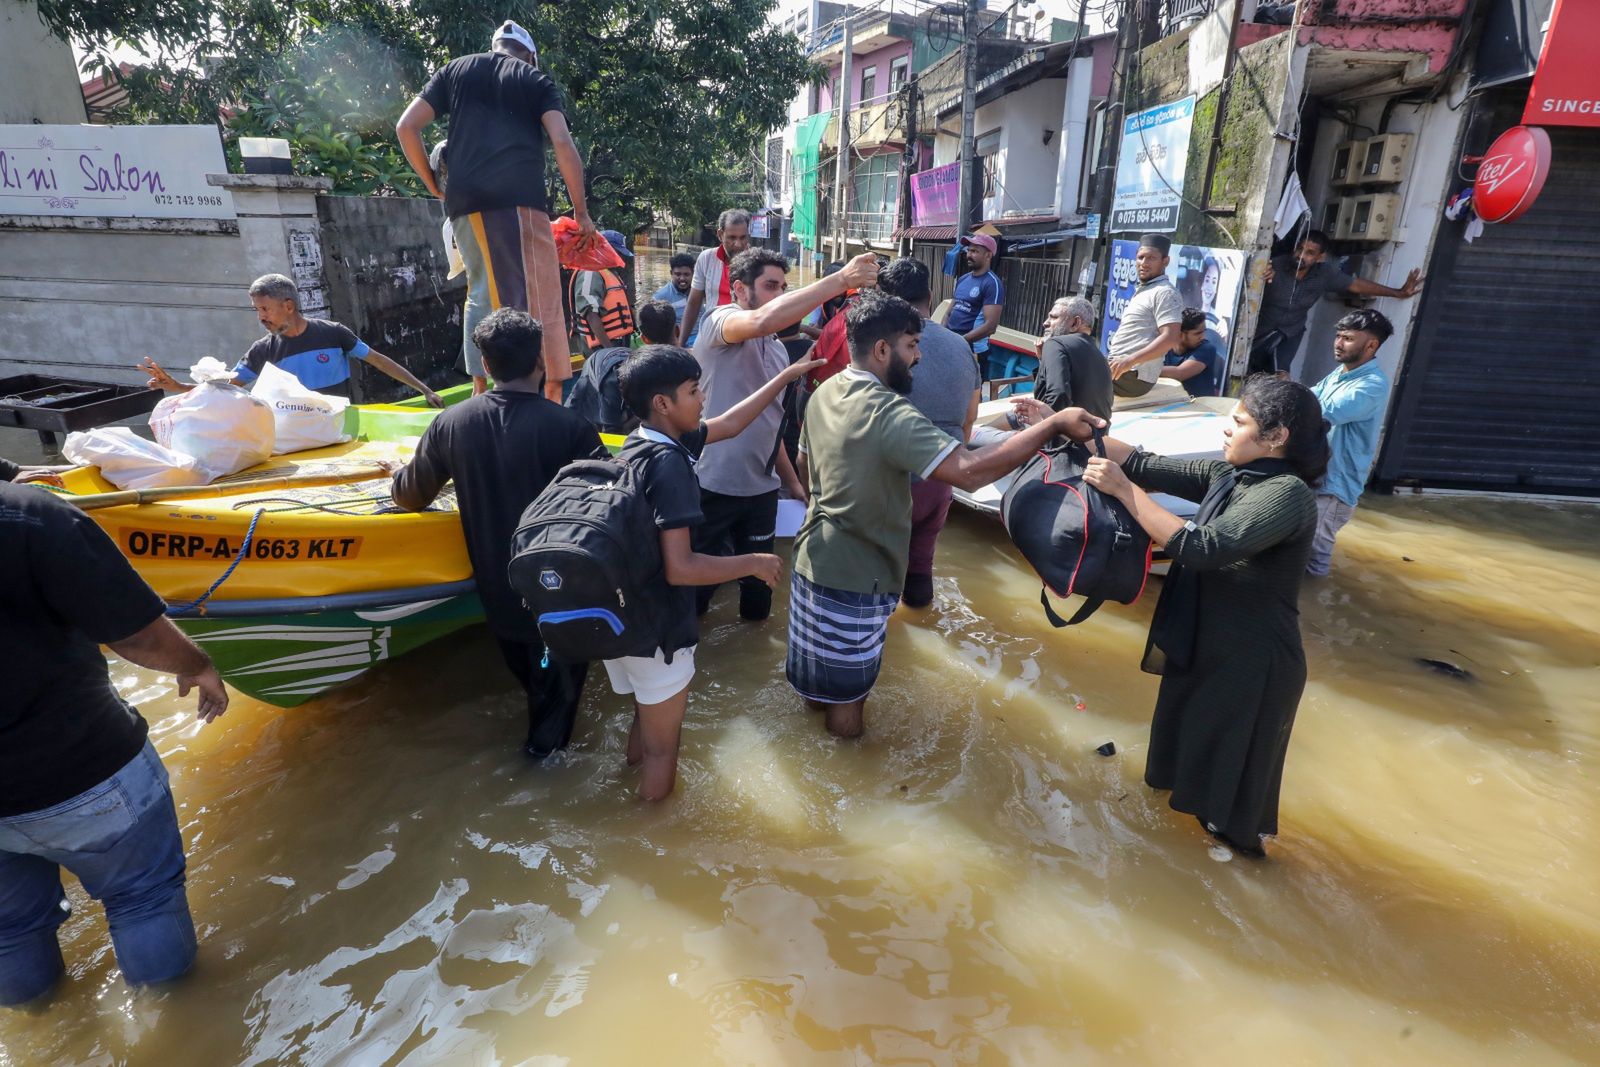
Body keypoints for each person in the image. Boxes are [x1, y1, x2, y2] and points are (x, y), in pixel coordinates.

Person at [788, 291, 1104, 739]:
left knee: (816, 687)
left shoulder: (827, 391)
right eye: (912, 346)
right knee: (849, 705)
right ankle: (850, 782)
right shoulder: (889, 411)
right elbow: (969, 473)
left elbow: (803, 468)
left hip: (810, 561)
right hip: (858, 579)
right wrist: (1050, 426)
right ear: (883, 350)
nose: (917, 358)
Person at [1077, 374, 1328, 857]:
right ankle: (1175, 864)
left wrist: (1126, 493)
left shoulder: (1287, 494)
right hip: (1206, 645)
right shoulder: (1229, 476)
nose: (1227, 432)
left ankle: (1243, 884)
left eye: (1239, 423)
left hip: (1252, 665)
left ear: (1276, 438)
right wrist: (1070, 427)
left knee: (1229, 807)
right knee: (1181, 770)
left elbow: (1205, 546)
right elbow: (1145, 462)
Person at [1, 480, 228, 1006]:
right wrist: (197, 665)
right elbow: (136, 635)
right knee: (143, 900)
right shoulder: (28, 515)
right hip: (82, 770)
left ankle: (38, 1024)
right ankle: (172, 1030)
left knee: (9, 930)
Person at [388, 309, 607, 757]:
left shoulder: (450, 424)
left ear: (485, 366)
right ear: (541, 361)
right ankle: (545, 790)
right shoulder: (571, 428)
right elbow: (610, 507)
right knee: (552, 723)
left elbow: (409, 497)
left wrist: (397, 475)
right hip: (562, 597)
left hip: (499, 598)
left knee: (536, 688)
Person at [606, 345, 820, 800]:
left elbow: (733, 423)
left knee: (646, 720)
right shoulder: (672, 468)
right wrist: (754, 563)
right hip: (658, 627)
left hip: (626, 619)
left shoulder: (642, 442)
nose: (704, 397)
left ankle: (624, 791)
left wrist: (782, 380)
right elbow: (681, 568)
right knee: (665, 752)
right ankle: (649, 842)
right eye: (693, 390)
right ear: (663, 403)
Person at [396, 19, 594, 401]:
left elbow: (407, 127)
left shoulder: (455, 70)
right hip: (515, 203)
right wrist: (581, 212)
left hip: (463, 205)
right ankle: (548, 393)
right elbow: (562, 143)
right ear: (531, 56)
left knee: (483, 293)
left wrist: (433, 185)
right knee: (540, 297)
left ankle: (481, 392)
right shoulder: (534, 80)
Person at [690, 248, 879, 621]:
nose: (780, 294)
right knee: (695, 596)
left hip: (761, 490)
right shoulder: (719, 323)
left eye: (783, 287)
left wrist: (794, 484)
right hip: (711, 484)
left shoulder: (778, 353)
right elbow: (760, 320)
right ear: (740, 289)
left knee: (760, 594)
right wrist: (841, 280)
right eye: (770, 286)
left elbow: (771, 428)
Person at [140, 275, 442, 405]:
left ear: (288, 306)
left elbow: (377, 360)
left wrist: (425, 389)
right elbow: (224, 388)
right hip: (296, 439)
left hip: (341, 428)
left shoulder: (333, 333)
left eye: (265, 309)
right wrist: (177, 387)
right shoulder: (262, 351)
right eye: (257, 310)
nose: (260, 317)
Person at [877, 257, 982, 608]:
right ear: (931, 294)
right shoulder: (960, 345)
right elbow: (970, 418)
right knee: (921, 565)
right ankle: (922, 621)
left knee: (875, 576)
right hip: (941, 477)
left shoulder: (881, 346)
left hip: (891, 480)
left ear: (883, 299)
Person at [1247, 229, 1421, 377]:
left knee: (1280, 376)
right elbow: (1250, 280)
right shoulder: (1275, 265)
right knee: (1244, 367)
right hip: (1260, 330)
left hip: (1289, 333)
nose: (1301, 256)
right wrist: (1260, 274)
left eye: (1309, 253)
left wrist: (1397, 292)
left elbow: (1356, 284)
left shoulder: (1324, 275)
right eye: (1300, 249)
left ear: (1320, 257)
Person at [1306, 308, 1394, 577]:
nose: (1338, 343)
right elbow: (1309, 398)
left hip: (1335, 487)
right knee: (1298, 549)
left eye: (1347, 338)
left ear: (1371, 345)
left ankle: (1315, 610)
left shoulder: (1372, 384)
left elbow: (1321, 410)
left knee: (1314, 558)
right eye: (1338, 336)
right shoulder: (1339, 373)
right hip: (1318, 478)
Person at [1107, 233, 1185, 398]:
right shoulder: (1146, 290)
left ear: (1165, 261)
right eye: (1140, 257)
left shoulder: (1165, 292)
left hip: (1134, 376)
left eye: (1151, 258)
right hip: (1121, 369)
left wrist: (1129, 361)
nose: (1144, 263)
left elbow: (1170, 338)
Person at [677, 209, 752, 347]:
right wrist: (680, 344)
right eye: (732, 238)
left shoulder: (758, 264)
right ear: (720, 234)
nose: (738, 244)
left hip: (746, 341)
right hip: (711, 336)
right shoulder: (706, 259)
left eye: (743, 237)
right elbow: (693, 303)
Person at [1032, 296, 1114, 421]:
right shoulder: (1100, 356)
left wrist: (1042, 431)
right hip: (1096, 437)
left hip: (1065, 436)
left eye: (1054, 317)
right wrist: (1044, 360)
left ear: (1075, 323)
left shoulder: (1055, 344)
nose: (1045, 323)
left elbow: (1058, 396)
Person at [941, 232, 1005, 360]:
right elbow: (949, 313)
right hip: (951, 344)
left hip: (972, 349)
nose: (969, 255)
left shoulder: (992, 283)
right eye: (968, 250)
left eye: (975, 251)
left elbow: (991, 326)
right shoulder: (963, 279)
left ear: (988, 255)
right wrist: (943, 335)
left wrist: (961, 341)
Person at [570, 231, 636, 352]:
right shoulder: (590, 271)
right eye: (617, 253)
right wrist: (609, 351)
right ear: (603, 249)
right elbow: (590, 313)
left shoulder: (610, 272)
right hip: (601, 348)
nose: (619, 257)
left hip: (617, 343)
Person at [1162, 308, 1225, 397]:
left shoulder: (1207, 349)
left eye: (1204, 331)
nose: (1202, 337)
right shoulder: (1165, 349)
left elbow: (1180, 373)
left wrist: (1144, 371)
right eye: (1197, 333)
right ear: (1180, 334)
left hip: (1200, 408)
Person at [652, 252, 698, 345]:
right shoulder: (660, 297)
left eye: (686, 274)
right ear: (671, 273)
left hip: (701, 337)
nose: (682, 278)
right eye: (678, 274)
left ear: (693, 274)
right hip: (677, 341)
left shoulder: (700, 292)